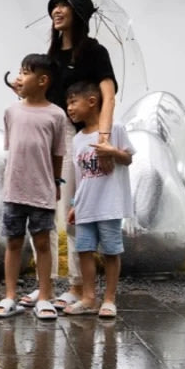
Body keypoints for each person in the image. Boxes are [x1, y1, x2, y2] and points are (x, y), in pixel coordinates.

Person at [17, 0, 119, 312]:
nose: (57, 10)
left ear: (79, 14)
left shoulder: (94, 52)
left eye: (64, 5)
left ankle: (76, 285)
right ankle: (44, 285)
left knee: (76, 212)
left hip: (77, 138)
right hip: (46, 135)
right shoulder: (51, 54)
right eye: (55, 5)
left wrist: (102, 137)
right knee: (41, 208)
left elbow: (108, 95)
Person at [0, 54, 67, 320]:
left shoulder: (56, 115)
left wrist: (57, 182)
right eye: (20, 71)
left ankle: (45, 295)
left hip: (42, 189)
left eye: (26, 72)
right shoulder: (11, 111)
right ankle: (10, 295)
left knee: (42, 242)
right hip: (14, 189)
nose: (19, 77)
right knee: (13, 242)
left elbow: (57, 154)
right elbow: (11, 149)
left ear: (43, 80)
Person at [61, 81, 135, 318]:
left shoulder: (116, 128)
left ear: (92, 101)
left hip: (109, 205)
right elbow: (82, 176)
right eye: (67, 104)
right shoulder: (78, 138)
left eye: (73, 102)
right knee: (84, 250)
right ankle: (89, 297)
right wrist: (74, 204)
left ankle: (110, 299)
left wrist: (112, 152)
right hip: (86, 205)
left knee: (111, 252)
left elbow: (128, 159)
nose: (69, 108)